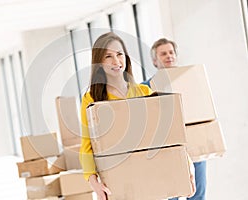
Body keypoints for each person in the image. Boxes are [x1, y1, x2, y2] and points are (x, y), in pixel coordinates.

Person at [79, 32, 154, 200]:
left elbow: (167, 138)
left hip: (147, 175)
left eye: (120, 54)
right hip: (116, 181)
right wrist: (94, 183)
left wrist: (186, 169)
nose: (116, 61)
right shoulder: (92, 99)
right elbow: (86, 144)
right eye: (108, 56)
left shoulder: (145, 93)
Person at [142, 38, 207, 200]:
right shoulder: (145, 88)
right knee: (171, 194)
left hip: (193, 140)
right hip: (166, 146)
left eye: (171, 52)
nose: (169, 56)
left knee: (198, 192)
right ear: (155, 61)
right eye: (163, 54)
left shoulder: (190, 80)